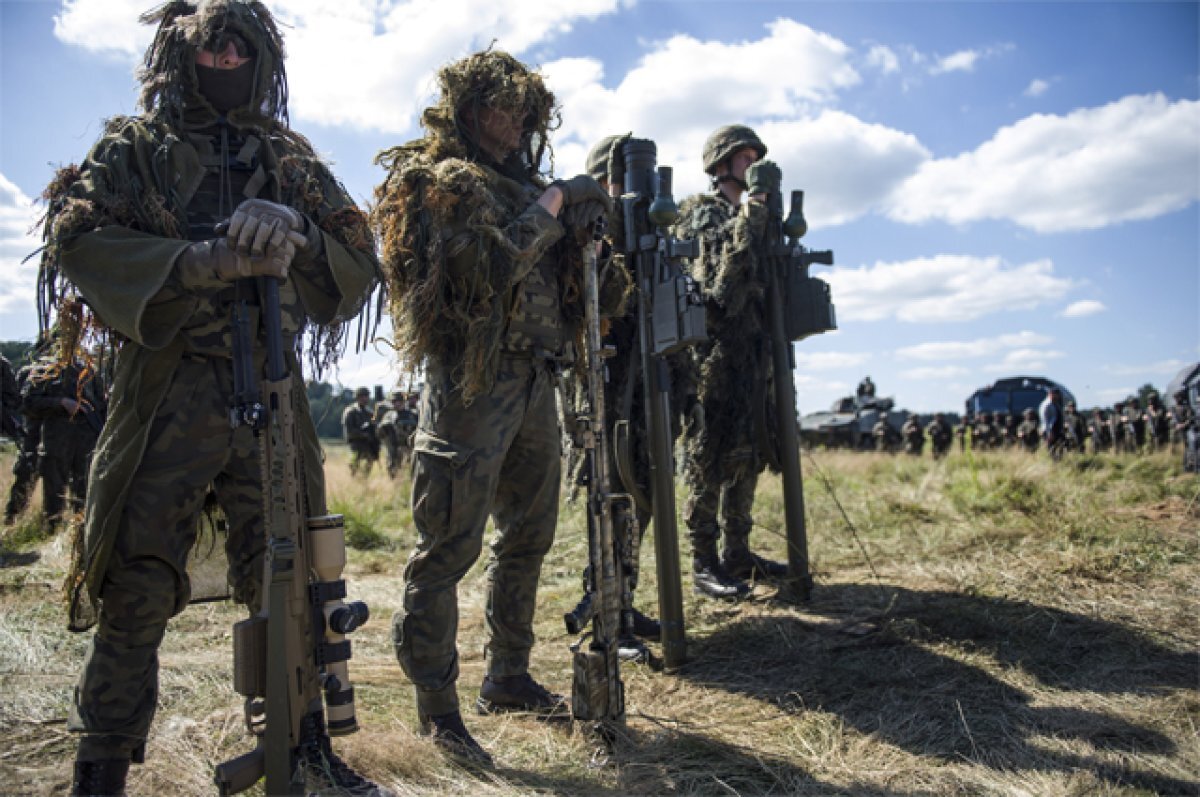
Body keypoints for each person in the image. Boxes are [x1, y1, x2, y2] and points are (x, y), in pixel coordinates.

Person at [36, 3, 382, 794]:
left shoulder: (288, 158)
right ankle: (101, 768)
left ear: (261, 60)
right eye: (210, 49)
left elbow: (359, 259)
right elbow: (78, 239)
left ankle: (304, 749)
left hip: (274, 391)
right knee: (136, 582)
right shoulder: (136, 150)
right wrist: (198, 261)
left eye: (239, 49)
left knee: (294, 577)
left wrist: (296, 228)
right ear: (179, 55)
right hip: (168, 393)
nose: (225, 60)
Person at [373, 48, 615, 765]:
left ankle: (507, 675)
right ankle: (437, 707)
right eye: (501, 108)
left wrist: (596, 244)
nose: (513, 123)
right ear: (468, 109)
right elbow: (479, 272)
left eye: (523, 112)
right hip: (471, 387)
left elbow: (597, 297)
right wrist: (553, 208)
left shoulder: (533, 189)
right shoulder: (439, 181)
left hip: (539, 381)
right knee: (447, 546)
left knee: (528, 538)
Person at [674, 124, 790, 600]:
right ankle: (704, 561)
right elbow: (722, 286)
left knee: (751, 451)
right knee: (709, 456)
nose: (754, 165)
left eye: (758, 158)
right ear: (721, 165)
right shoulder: (701, 214)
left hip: (755, 354)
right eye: (746, 158)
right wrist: (754, 211)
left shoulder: (753, 216)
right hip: (714, 357)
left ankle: (738, 550)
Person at [20, 352, 105, 530]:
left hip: (87, 440)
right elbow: (28, 403)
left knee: (85, 489)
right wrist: (60, 402)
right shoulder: (46, 369)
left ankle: (80, 531)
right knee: (54, 491)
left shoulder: (89, 371)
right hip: (57, 441)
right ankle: (52, 529)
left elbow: (101, 406)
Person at [343, 386, 378, 476]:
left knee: (367, 469)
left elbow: (375, 428)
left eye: (366, 396)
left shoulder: (370, 413)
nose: (364, 398)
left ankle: (363, 482)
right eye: (362, 396)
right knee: (354, 468)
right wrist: (363, 434)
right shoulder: (350, 412)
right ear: (357, 397)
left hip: (368, 445)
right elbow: (349, 431)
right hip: (356, 444)